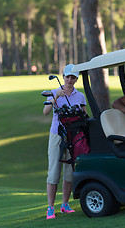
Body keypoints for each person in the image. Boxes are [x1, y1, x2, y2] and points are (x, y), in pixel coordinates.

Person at [43, 64, 87, 219]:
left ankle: (65, 205)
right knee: (54, 171)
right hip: (57, 134)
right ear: (63, 77)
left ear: (76, 79)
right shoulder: (54, 92)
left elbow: (84, 116)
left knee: (69, 173)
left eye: (73, 77)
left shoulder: (80, 96)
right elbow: (45, 112)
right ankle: (50, 208)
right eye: (67, 76)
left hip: (73, 135)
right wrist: (56, 98)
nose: (70, 79)